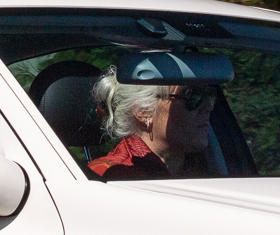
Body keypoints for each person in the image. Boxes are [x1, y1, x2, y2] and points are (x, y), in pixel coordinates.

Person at [87, 76, 219, 180]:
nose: (209, 106)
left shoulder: (211, 167)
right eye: (192, 96)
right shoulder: (110, 176)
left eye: (209, 94)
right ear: (144, 111)